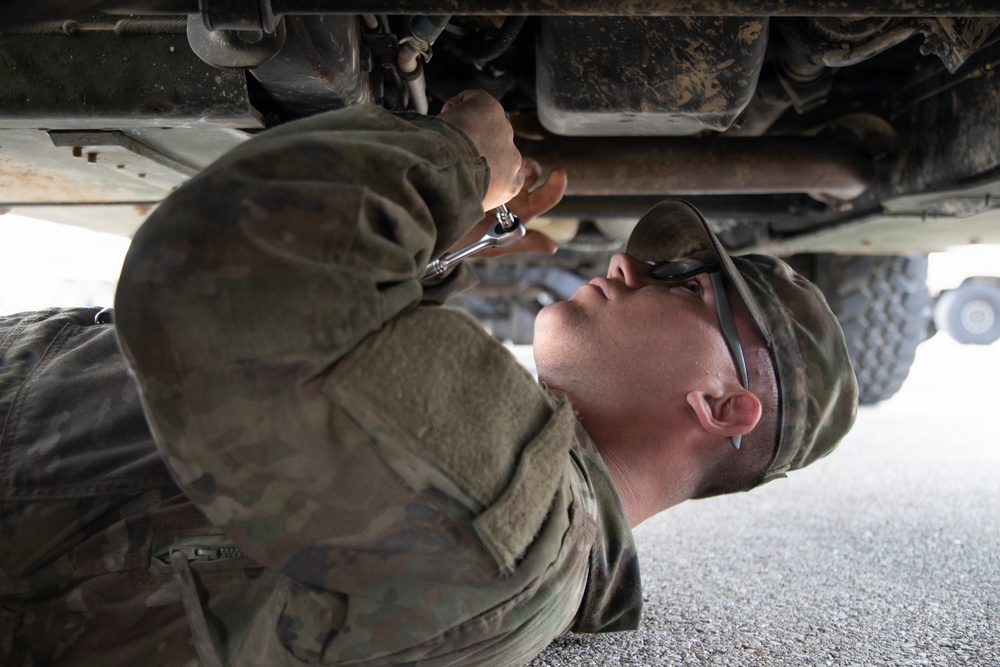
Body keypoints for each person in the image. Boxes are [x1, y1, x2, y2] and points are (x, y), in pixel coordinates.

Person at [0, 90, 858, 666]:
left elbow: (220, 272)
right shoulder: (519, 508)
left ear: (721, 405)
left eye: (686, 282)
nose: (632, 265)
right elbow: (351, 384)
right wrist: (452, 242)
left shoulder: (511, 515)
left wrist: (454, 165)